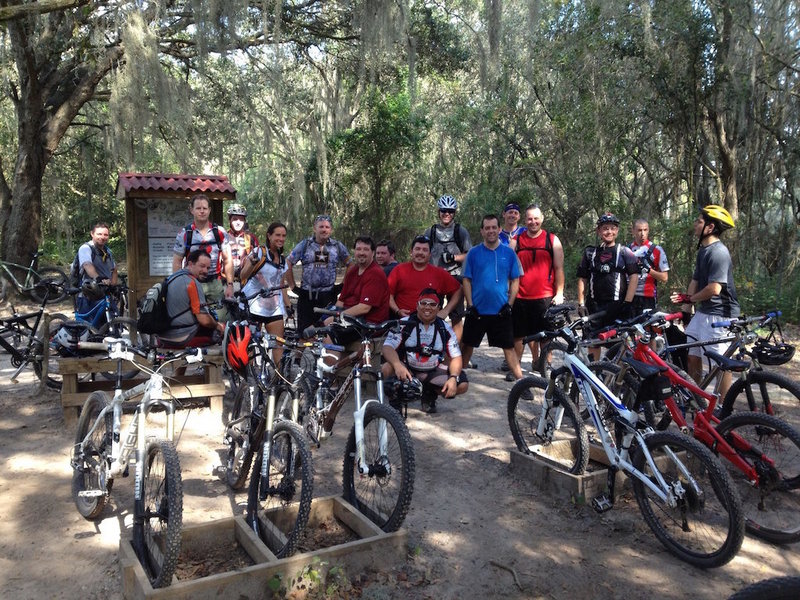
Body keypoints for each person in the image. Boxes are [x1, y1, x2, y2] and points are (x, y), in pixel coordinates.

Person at [670, 204, 739, 398]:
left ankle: (724, 409)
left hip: (721, 315)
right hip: (704, 313)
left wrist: (690, 298)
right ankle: (697, 401)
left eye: (699, 221)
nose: (695, 225)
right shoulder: (703, 251)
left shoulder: (719, 252)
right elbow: (696, 281)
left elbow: (714, 289)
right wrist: (686, 308)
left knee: (721, 364)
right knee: (692, 356)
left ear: (709, 228)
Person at [382, 288, 468, 414]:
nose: (427, 307)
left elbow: (456, 357)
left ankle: (429, 394)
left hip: (433, 371)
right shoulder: (403, 324)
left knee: (462, 385)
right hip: (408, 369)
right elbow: (387, 347)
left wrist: (453, 378)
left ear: (439, 308)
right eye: (423, 303)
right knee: (386, 368)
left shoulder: (445, 329)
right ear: (417, 306)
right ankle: (396, 402)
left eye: (432, 304)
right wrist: (397, 365)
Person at [460, 214, 524, 380]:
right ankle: (455, 378)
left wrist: (509, 304)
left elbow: (516, 280)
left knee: (508, 348)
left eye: (493, 227)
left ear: (499, 229)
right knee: (466, 346)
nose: (490, 231)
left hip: (501, 311)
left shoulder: (509, 254)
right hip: (477, 311)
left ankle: (522, 383)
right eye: (487, 228)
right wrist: (470, 304)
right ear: (482, 231)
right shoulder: (473, 253)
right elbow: (466, 279)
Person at [511, 205, 565, 378]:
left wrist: (559, 292)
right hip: (520, 296)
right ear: (524, 220)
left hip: (545, 297)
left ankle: (545, 367)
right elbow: (507, 268)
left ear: (542, 218)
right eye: (529, 218)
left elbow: (559, 268)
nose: (533, 222)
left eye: (536, 218)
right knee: (518, 336)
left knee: (546, 336)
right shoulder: (516, 240)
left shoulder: (552, 240)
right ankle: (516, 368)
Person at [576, 213, 640, 359]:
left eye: (612, 228)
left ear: (617, 231)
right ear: (599, 231)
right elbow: (582, 278)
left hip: (617, 306)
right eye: (605, 228)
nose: (609, 232)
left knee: (620, 343)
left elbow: (634, 276)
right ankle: (595, 372)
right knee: (593, 342)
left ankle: (615, 376)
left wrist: (628, 302)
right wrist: (580, 303)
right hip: (594, 306)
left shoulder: (625, 252)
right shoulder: (590, 252)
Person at [171, 194, 234, 320]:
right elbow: (177, 262)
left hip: (214, 283)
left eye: (205, 208)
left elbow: (228, 260)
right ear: (192, 210)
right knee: (193, 319)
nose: (201, 211)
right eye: (198, 208)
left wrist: (230, 285)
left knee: (222, 320)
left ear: (209, 210)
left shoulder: (220, 232)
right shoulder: (185, 234)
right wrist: (179, 285)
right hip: (192, 282)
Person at [286, 214, 350, 333]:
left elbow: (351, 264)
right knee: (303, 333)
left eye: (327, 227)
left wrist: (343, 285)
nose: (324, 229)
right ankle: (300, 352)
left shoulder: (337, 246)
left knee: (327, 332)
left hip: (328, 296)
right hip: (307, 296)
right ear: (315, 228)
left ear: (331, 230)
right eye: (321, 226)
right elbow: (288, 263)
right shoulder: (305, 245)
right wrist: (293, 286)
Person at [239, 221, 291, 364]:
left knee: (278, 344)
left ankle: (279, 378)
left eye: (283, 236)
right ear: (269, 236)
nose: (281, 239)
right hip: (253, 306)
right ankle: (250, 378)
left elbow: (281, 286)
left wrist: (288, 306)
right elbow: (243, 275)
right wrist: (253, 263)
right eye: (277, 235)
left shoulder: (282, 260)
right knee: (251, 344)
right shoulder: (259, 252)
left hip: (273, 309)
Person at [326, 235, 389, 347]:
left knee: (328, 332)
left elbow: (364, 308)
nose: (361, 252)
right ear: (354, 251)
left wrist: (336, 317)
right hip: (350, 318)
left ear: (373, 253)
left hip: (367, 324)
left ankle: (330, 363)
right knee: (314, 327)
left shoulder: (375, 274)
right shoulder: (353, 271)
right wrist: (329, 315)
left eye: (366, 249)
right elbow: (341, 301)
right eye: (358, 249)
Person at [427, 194, 472, 341]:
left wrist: (454, 258)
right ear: (439, 212)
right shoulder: (431, 231)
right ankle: (435, 348)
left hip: (455, 277)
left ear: (454, 213)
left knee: (457, 317)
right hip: (435, 278)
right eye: (443, 210)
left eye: (450, 211)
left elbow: (469, 254)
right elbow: (422, 251)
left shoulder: (461, 231)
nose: (447, 214)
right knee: (431, 313)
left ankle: (456, 352)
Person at [160, 249, 225, 347]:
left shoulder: (172, 278)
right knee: (219, 334)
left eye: (208, 268)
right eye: (202, 266)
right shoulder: (192, 283)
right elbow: (204, 320)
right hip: (182, 337)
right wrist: (218, 325)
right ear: (190, 264)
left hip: (164, 335)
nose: (205, 271)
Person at [388, 235, 462, 320]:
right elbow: (388, 294)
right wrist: (397, 310)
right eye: (417, 249)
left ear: (430, 254)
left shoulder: (439, 273)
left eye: (425, 250)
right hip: (403, 322)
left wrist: (445, 311)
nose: (420, 252)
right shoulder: (399, 270)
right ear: (411, 252)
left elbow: (458, 290)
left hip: (431, 323)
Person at [74, 222, 118, 321]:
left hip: (104, 295)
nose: (102, 237)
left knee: (112, 325)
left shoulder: (108, 251)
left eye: (105, 235)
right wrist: (98, 278)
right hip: (88, 295)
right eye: (99, 234)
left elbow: (114, 269)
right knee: (88, 331)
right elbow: (87, 265)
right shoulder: (86, 248)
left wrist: (114, 286)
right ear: (92, 234)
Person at [628, 218, 669, 315]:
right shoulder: (627, 250)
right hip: (629, 296)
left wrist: (648, 270)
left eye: (645, 230)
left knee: (647, 327)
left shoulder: (657, 250)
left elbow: (664, 278)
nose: (642, 234)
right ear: (633, 231)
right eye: (639, 230)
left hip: (648, 297)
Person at [225, 203, 259, 283]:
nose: (238, 222)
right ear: (230, 220)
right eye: (235, 219)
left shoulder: (251, 238)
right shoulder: (223, 236)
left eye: (241, 219)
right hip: (226, 279)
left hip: (246, 279)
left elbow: (258, 259)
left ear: (244, 221)